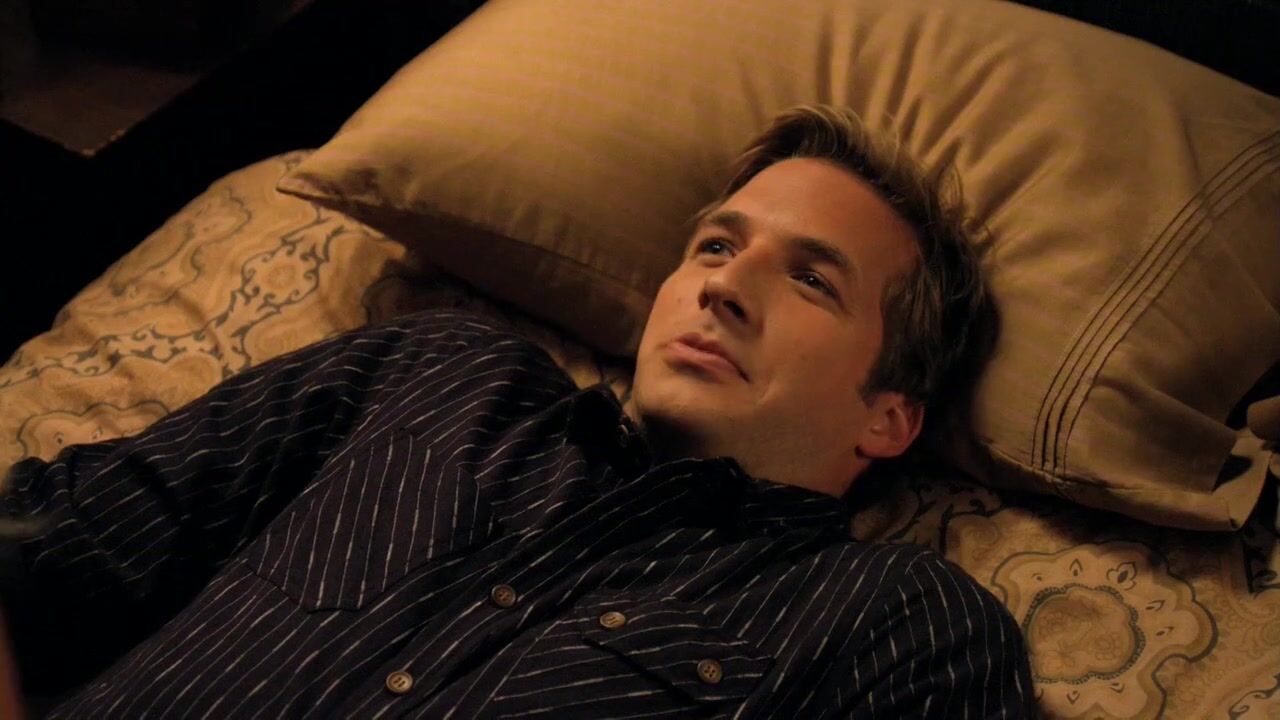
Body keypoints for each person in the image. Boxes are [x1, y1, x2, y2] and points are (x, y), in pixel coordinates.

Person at [0, 105, 1035, 718]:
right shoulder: (438, 376)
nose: (722, 285)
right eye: (716, 246)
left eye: (811, 279)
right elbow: (34, 549)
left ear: (889, 418)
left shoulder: (897, 625)